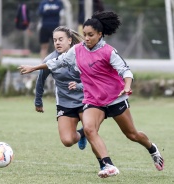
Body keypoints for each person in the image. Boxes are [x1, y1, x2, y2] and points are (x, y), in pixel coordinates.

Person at [18, 11, 164, 178]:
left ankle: (152, 148)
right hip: (93, 100)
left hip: (115, 98)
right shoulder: (78, 50)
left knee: (132, 134)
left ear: (100, 34)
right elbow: (57, 62)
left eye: (90, 35)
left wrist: (127, 86)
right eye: (85, 34)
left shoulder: (109, 51)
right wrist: (34, 68)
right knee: (89, 129)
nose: (86, 38)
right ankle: (108, 165)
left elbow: (125, 71)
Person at [34, 26, 87, 151]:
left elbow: (94, 80)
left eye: (60, 39)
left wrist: (80, 86)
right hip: (65, 102)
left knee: (92, 129)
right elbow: (40, 80)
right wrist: (38, 101)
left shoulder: (82, 55)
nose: (57, 42)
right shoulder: (49, 60)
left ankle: (105, 164)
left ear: (69, 40)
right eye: (55, 40)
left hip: (86, 100)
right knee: (67, 141)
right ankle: (82, 134)